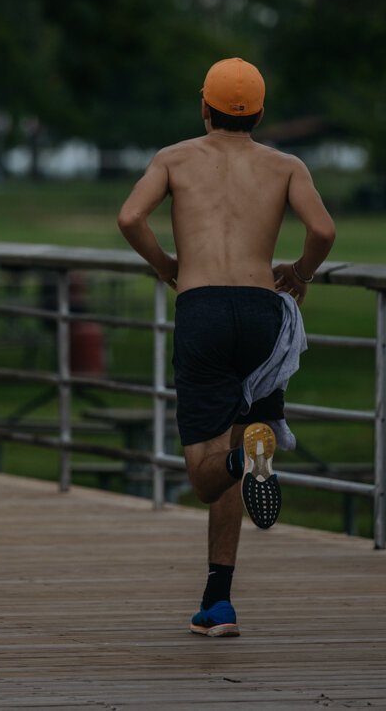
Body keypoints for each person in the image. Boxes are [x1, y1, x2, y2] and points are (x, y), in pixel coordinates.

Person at [116, 56, 336, 638]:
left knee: (207, 471)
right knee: (242, 442)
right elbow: (323, 232)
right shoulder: (286, 165)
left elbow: (130, 216)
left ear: (204, 107)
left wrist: (166, 264)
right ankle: (219, 601)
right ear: (259, 113)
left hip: (204, 312)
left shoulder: (174, 158)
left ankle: (244, 458)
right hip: (264, 314)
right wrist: (301, 275)